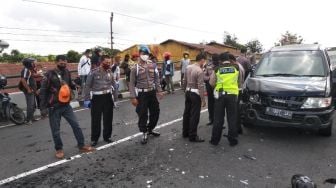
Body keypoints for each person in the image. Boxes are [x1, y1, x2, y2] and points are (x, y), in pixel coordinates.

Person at [40, 55, 95, 159]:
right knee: (55, 130)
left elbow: (69, 83)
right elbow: (43, 91)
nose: (63, 64)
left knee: (76, 126)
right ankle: (59, 149)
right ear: (56, 62)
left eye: (65, 62)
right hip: (54, 106)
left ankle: (81, 145)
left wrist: (75, 86)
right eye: (61, 62)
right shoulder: (49, 74)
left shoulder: (66, 72)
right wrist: (42, 108)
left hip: (66, 105)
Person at [129, 45, 164, 144]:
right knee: (142, 114)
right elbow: (131, 83)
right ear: (140, 54)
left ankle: (150, 129)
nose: (146, 56)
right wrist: (133, 97)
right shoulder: (135, 68)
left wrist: (159, 90)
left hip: (152, 92)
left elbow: (156, 79)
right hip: (141, 94)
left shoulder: (152, 65)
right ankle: (144, 132)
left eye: (147, 54)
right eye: (144, 54)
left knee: (155, 111)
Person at [209, 53, 240, 147]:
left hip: (220, 95)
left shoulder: (217, 69)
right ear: (228, 59)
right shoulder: (236, 67)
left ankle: (215, 140)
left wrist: (217, 87)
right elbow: (239, 80)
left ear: (220, 60)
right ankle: (233, 140)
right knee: (232, 118)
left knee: (218, 118)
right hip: (233, 95)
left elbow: (211, 82)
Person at [84, 55, 115, 146]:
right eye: (106, 62)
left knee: (108, 118)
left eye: (109, 62)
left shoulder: (110, 71)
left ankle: (107, 136)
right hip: (97, 98)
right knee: (96, 119)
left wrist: (115, 99)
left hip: (108, 96)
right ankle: (94, 138)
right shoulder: (93, 72)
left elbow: (113, 84)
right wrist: (87, 99)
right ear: (101, 62)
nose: (108, 64)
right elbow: (87, 86)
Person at [182, 53, 207, 142]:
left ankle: (185, 132)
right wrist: (203, 99)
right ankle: (192, 135)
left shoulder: (188, 67)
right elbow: (200, 86)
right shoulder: (199, 70)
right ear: (202, 60)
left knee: (187, 113)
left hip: (188, 91)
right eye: (205, 60)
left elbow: (184, 80)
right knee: (194, 115)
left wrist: (184, 90)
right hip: (195, 93)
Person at [228, 53, 245, 135]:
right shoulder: (239, 66)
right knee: (236, 111)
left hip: (237, 90)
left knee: (235, 111)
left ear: (231, 60)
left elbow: (238, 81)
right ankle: (238, 129)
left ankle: (236, 130)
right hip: (239, 89)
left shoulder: (237, 67)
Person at [20, 58, 37, 125]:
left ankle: (32, 118)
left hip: (32, 89)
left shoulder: (29, 69)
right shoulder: (25, 70)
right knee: (30, 105)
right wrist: (28, 89)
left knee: (33, 105)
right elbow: (23, 80)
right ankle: (28, 120)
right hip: (29, 90)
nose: (34, 63)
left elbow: (30, 77)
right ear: (29, 63)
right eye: (33, 62)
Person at [204, 54, 219, 126]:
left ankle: (218, 121)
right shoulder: (208, 65)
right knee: (210, 104)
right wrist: (209, 78)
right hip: (210, 87)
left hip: (218, 87)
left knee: (218, 105)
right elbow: (204, 75)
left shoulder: (221, 66)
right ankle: (211, 119)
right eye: (214, 59)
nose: (215, 61)